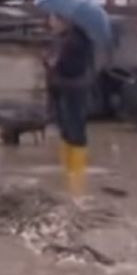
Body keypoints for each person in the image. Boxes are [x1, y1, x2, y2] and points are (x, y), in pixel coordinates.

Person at [45, 14, 95, 189]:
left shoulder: (75, 40)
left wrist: (54, 63)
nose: (50, 23)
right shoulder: (63, 39)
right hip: (63, 88)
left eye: (53, 19)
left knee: (75, 131)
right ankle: (69, 174)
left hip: (73, 89)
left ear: (64, 20)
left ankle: (76, 179)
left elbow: (72, 67)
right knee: (66, 130)